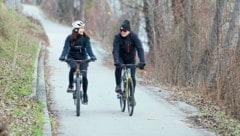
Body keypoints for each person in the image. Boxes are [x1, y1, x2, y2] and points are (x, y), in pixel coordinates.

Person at [59, 20, 97, 104]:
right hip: (72, 57)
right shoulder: (69, 38)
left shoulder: (86, 38)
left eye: (83, 28)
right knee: (73, 67)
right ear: (76, 29)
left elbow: (89, 49)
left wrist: (92, 56)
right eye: (81, 28)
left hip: (83, 58)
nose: (83, 30)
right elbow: (65, 48)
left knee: (84, 75)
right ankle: (71, 85)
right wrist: (63, 56)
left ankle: (85, 94)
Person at [112, 20, 146, 94]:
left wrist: (142, 61)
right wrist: (116, 60)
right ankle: (118, 85)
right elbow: (115, 50)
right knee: (118, 68)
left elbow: (140, 49)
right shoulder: (117, 37)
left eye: (124, 30)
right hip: (121, 58)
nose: (122, 32)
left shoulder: (134, 37)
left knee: (132, 77)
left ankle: (131, 96)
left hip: (131, 59)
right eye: (121, 30)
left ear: (129, 31)